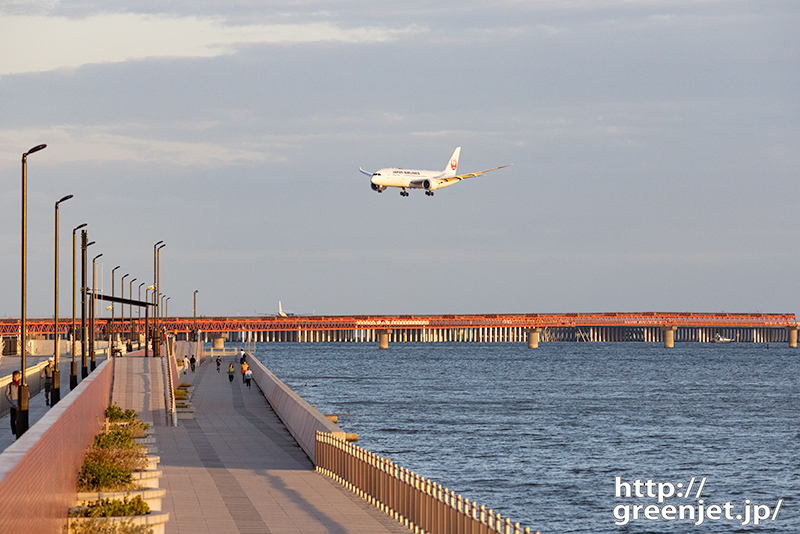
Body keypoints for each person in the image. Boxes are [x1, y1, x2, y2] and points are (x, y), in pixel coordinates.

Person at [5, 371, 21, 436]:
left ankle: (19, 433)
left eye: (17, 377)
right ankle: (14, 434)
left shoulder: (22, 385)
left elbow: (27, 394)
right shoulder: (9, 385)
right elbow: (7, 394)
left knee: (19, 420)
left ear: (19, 377)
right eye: (14, 377)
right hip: (13, 406)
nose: (16, 378)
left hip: (20, 406)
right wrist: (11, 401)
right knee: (13, 420)